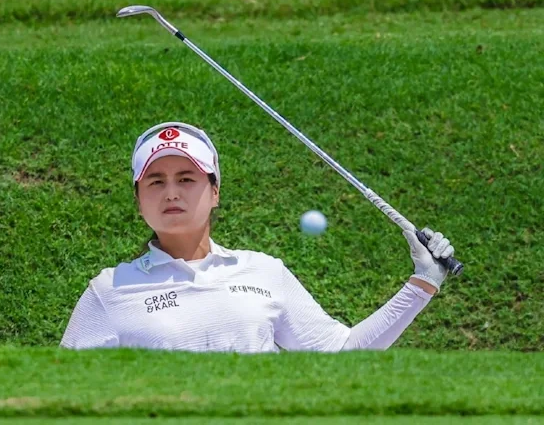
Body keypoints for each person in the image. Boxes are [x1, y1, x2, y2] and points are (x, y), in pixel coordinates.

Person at [60, 121, 455, 352]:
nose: (172, 193)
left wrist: (423, 284)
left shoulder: (263, 272)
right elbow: (64, 394)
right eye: (155, 181)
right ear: (138, 199)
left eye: (187, 179)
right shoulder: (110, 289)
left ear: (215, 192)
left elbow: (341, 352)